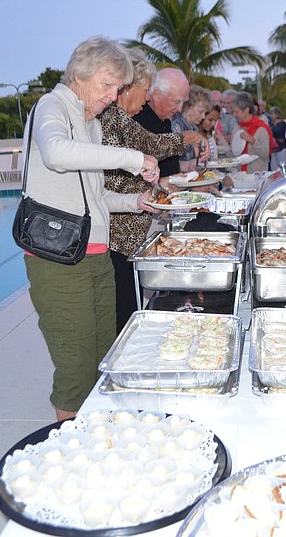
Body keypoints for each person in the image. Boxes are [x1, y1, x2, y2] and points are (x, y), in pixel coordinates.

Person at [22, 36, 159, 421]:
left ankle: (97, 434)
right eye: (107, 85)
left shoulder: (91, 125)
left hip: (97, 256)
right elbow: (56, 153)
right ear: (80, 75)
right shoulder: (52, 106)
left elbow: (92, 197)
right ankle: (69, 451)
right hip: (59, 261)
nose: (114, 96)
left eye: (118, 88)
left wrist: (133, 202)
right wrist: (133, 159)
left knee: (103, 358)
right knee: (75, 367)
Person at [99, 48, 206, 333]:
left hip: (129, 233)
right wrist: (189, 137)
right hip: (114, 237)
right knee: (122, 318)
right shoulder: (108, 118)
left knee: (130, 310)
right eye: (145, 90)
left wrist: (157, 186)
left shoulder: (118, 117)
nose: (147, 98)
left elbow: (149, 145)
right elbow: (146, 151)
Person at [134, 68, 190, 178]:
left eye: (184, 102)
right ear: (156, 94)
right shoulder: (138, 118)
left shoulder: (165, 120)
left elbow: (165, 166)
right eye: (177, 101)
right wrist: (190, 137)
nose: (180, 109)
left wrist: (187, 166)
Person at [229, 91, 274, 172]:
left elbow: (265, 155)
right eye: (233, 112)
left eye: (237, 112)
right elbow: (234, 154)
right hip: (239, 176)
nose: (234, 115)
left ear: (246, 110)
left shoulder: (261, 128)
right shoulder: (237, 128)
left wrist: (253, 141)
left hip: (257, 176)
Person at [171, 85, 212, 172]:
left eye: (205, 113)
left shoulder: (193, 128)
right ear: (188, 106)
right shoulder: (176, 125)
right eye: (200, 111)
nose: (203, 116)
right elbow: (170, 162)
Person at [268, 106, 286, 171]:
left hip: (280, 147)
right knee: (273, 167)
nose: (271, 116)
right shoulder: (271, 124)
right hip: (273, 148)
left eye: (272, 114)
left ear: (277, 114)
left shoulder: (282, 123)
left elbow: (279, 133)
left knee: (282, 165)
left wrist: (272, 135)